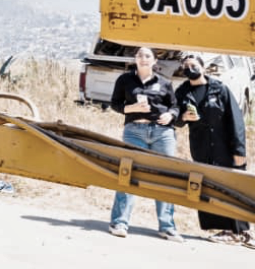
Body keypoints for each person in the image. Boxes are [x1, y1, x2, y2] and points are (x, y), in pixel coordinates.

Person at [174, 54, 252, 247]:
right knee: (209, 186)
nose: (189, 68)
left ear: (203, 67)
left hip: (224, 146)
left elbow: (236, 121)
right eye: (186, 66)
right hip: (201, 148)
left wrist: (239, 149)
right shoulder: (182, 92)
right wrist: (183, 117)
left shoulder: (220, 89)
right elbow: (175, 117)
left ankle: (242, 231)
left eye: (193, 65)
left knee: (231, 186)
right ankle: (225, 231)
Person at [107, 47, 182, 241]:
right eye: (139, 55)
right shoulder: (125, 80)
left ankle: (167, 226)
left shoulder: (164, 82)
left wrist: (170, 115)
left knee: (166, 176)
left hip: (162, 133)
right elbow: (115, 104)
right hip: (135, 132)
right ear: (135, 59)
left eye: (147, 56)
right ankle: (119, 223)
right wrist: (131, 108)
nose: (143, 58)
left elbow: (174, 106)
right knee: (127, 173)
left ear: (155, 61)